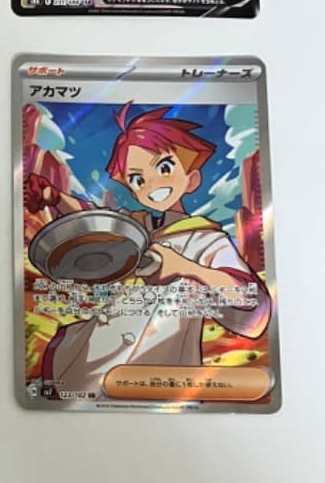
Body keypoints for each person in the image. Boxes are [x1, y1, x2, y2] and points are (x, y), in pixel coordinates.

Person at [25, 104, 271, 397]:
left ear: (192, 180)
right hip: (97, 351)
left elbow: (253, 302)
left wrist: (186, 268)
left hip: (156, 363)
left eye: (164, 168)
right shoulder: (137, 225)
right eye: (137, 179)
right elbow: (94, 218)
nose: (150, 184)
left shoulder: (206, 239)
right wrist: (54, 197)